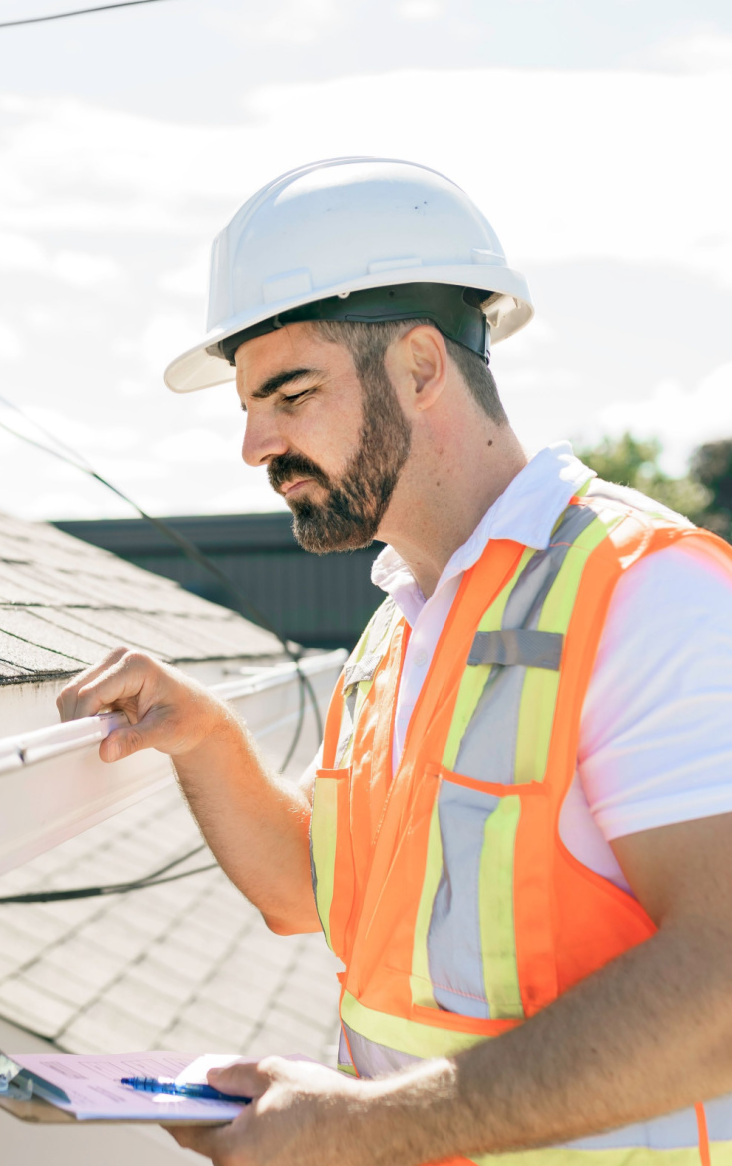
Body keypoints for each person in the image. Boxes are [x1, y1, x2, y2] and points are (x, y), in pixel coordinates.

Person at [56, 159, 732, 1165]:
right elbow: (316, 896)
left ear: (421, 367)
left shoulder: (650, 598)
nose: (253, 444)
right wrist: (205, 740)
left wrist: (359, 1128)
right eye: (248, 405)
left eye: (290, 393)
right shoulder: (400, 630)